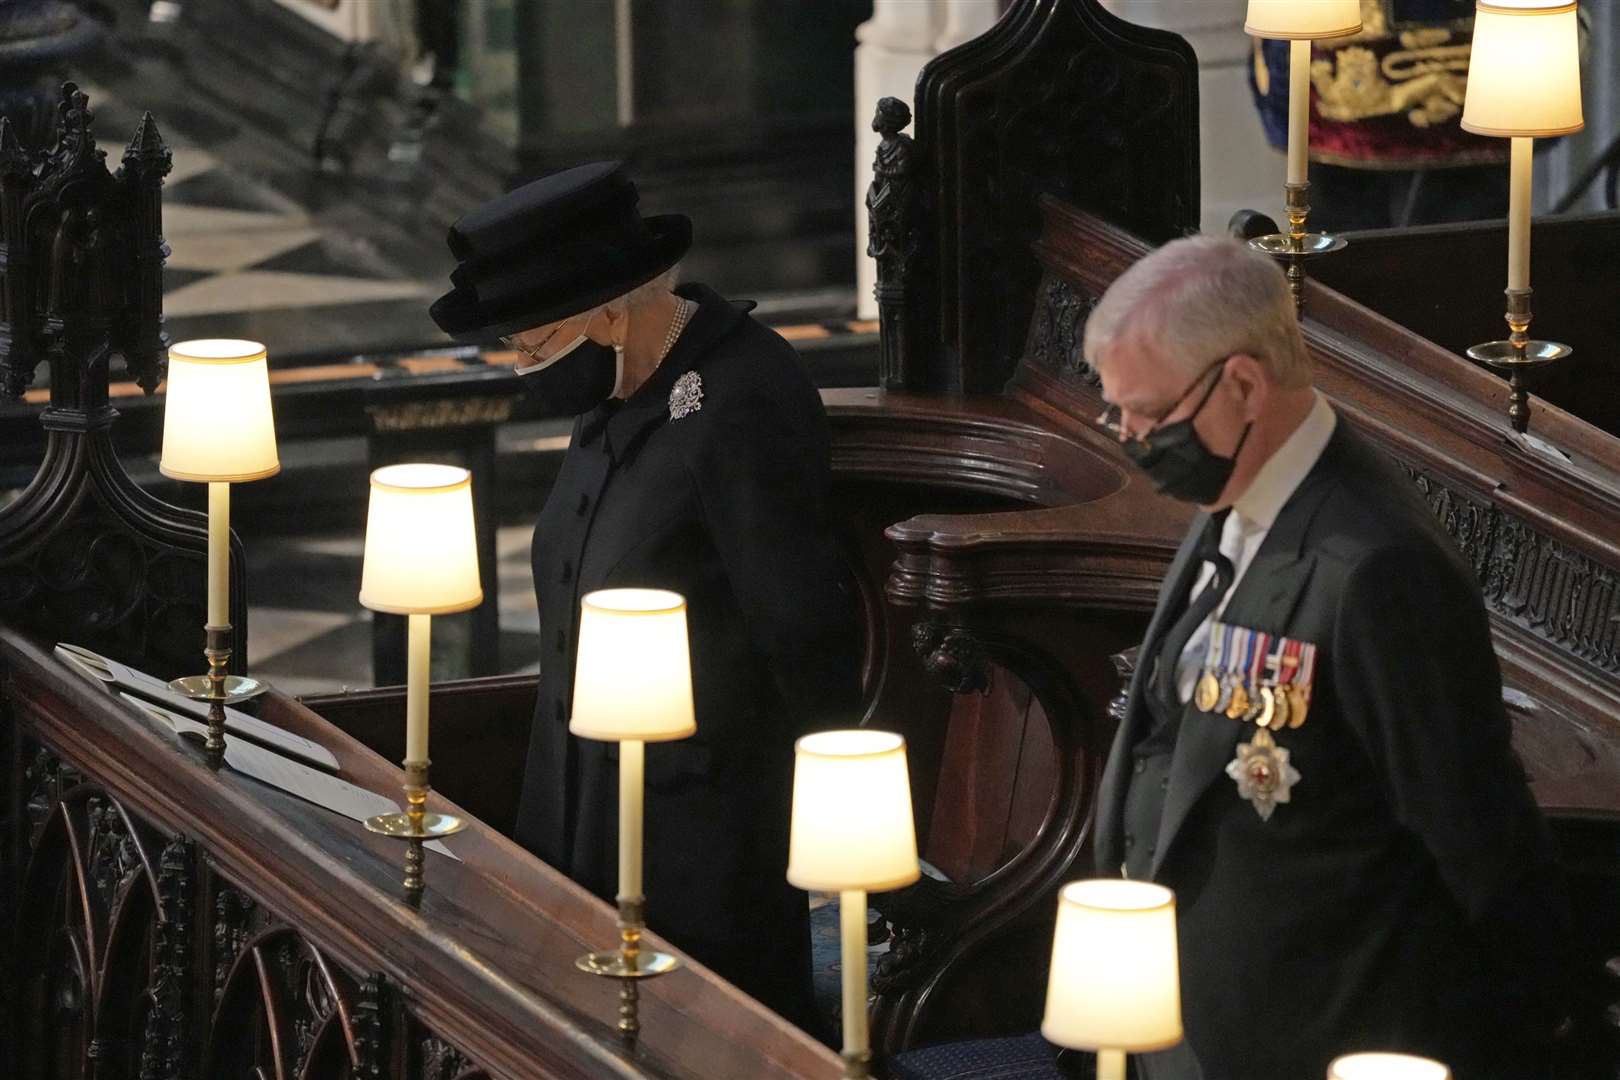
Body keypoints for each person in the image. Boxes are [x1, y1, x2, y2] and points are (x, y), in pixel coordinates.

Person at [1086, 236, 1570, 1079]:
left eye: (1148, 415)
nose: (1130, 437)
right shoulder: (1238, 498)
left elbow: (1479, 842)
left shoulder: (1381, 570)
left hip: (1318, 1044)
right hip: (1188, 1031)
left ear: (1241, 384)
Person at [429, 161, 861, 1031]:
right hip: (573, 804)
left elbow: (805, 630)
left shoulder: (741, 397)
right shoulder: (626, 382)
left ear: (612, 312)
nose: (523, 367)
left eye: (536, 343)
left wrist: (833, 817)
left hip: (697, 839)